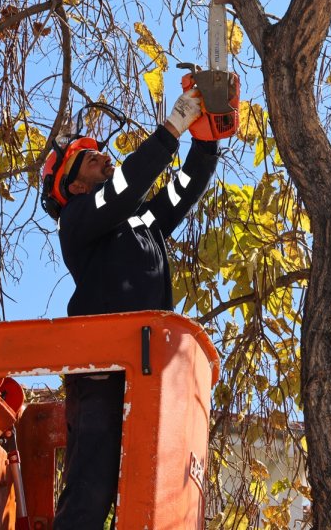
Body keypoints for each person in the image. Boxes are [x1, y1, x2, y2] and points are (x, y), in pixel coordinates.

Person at [40, 90, 224, 528]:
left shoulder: (140, 221)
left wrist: (206, 139)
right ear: (74, 186)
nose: (104, 157)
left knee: (152, 484)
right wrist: (172, 128)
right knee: (92, 487)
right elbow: (126, 187)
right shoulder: (78, 217)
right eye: (90, 160)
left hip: (147, 368)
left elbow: (182, 189)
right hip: (101, 369)